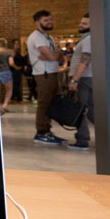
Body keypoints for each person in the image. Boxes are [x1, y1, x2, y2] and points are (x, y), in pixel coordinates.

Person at [27, 10, 66, 145]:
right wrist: (54, 55)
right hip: (44, 74)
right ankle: (41, 132)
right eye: (46, 20)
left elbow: (58, 56)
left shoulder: (47, 37)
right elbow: (52, 57)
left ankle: (47, 130)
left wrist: (56, 54)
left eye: (50, 19)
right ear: (37, 22)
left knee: (51, 103)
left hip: (52, 72)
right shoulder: (37, 37)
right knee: (44, 103)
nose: (50, 22)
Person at [69, 13, 93, 150]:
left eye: (84, 24)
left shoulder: (89, 39)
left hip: (83, 79)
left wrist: (74, 80)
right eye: (81, 22)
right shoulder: (88, 39)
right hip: (87, 78)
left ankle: (82, 140)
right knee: (91, 110)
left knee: (80, 109)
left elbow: (85, 61)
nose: (80, 25)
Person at [0, 38, 14, 113]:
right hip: (5, 72)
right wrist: (17, 67)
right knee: (9, 90)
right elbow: (11, 63)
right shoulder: (9, 52)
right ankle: (5, 105)